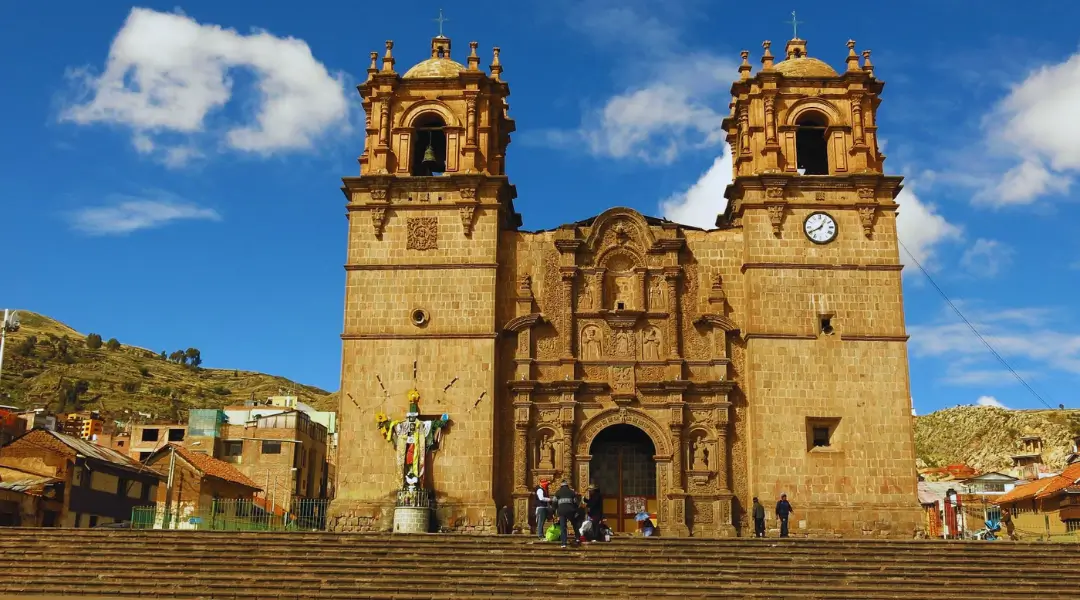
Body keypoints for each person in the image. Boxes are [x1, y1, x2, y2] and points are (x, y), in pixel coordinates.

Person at [553, 479, 578, 548]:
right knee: (574, 524)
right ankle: (578, 538)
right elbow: (576, 502)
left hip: (561, 511)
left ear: (561, 486)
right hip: (571, 511)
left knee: (563, 527)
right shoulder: (572, 492)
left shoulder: (558, 492)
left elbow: (554, 502)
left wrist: (554, 511)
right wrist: (576, 510)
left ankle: (564, 543)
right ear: (567, 486)